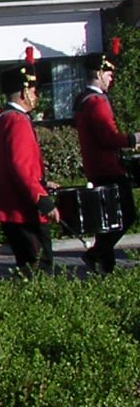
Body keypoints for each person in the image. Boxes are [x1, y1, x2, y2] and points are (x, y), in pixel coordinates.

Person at [73, 47, 140, 274]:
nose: (111, 79)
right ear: (99, 73)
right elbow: (108, 137)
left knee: (108, 220)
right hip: (108, 168)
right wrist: (133, 138)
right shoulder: (97, 102)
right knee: (126, 215)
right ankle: (97, 254)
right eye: (109, 74)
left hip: (96, 168)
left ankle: (104, 265)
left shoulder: (83, 100)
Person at [0, 52, 58, 273]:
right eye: (33, 90)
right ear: (23, 92)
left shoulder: (4, 118)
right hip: (24, 208)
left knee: (28, 268)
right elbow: (20, 167)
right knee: (39, 268)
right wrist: (41, 199)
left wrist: (43, 183)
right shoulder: (17, 121)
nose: (36, 95)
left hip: (12, 205)